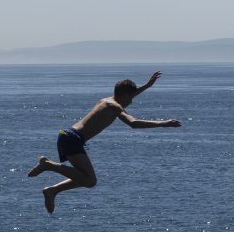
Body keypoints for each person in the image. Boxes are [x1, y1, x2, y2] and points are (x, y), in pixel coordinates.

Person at [28, 71, 181, 213]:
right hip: (72, 139)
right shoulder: (115, 107)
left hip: (67, 135)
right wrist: (163, 123)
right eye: (130, 98)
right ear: (125, 95)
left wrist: (147, 86)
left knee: (86, 179)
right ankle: (48, 165)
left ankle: (52, 190)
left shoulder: (106, 100)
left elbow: (127, 95)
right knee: (90, 181)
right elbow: (133, 123)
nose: (131, 103)